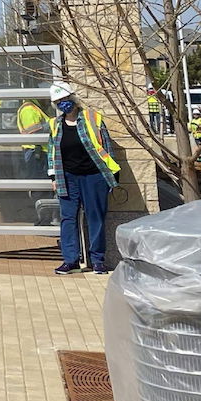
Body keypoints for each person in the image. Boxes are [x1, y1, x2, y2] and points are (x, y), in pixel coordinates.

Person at [46, 81, 121, 275]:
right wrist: (53, 176)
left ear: (73, 98)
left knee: (95, 217)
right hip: (67, 178)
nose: (63, 104)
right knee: (68, 218)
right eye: (58, 101)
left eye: (65, 99)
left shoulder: (92, 119)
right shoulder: (55, 125)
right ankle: (70, 260)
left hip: (94, 176)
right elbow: (52, 151)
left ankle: (97, 260)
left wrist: (112, 174)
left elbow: (106, 147)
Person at [16, 98, 51, 178]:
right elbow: (35, 132)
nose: (49, 101)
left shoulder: (36, 108)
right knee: (39, 183)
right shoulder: (29, 109)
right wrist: (53, 123)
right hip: (37, 153)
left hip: (40, 151)